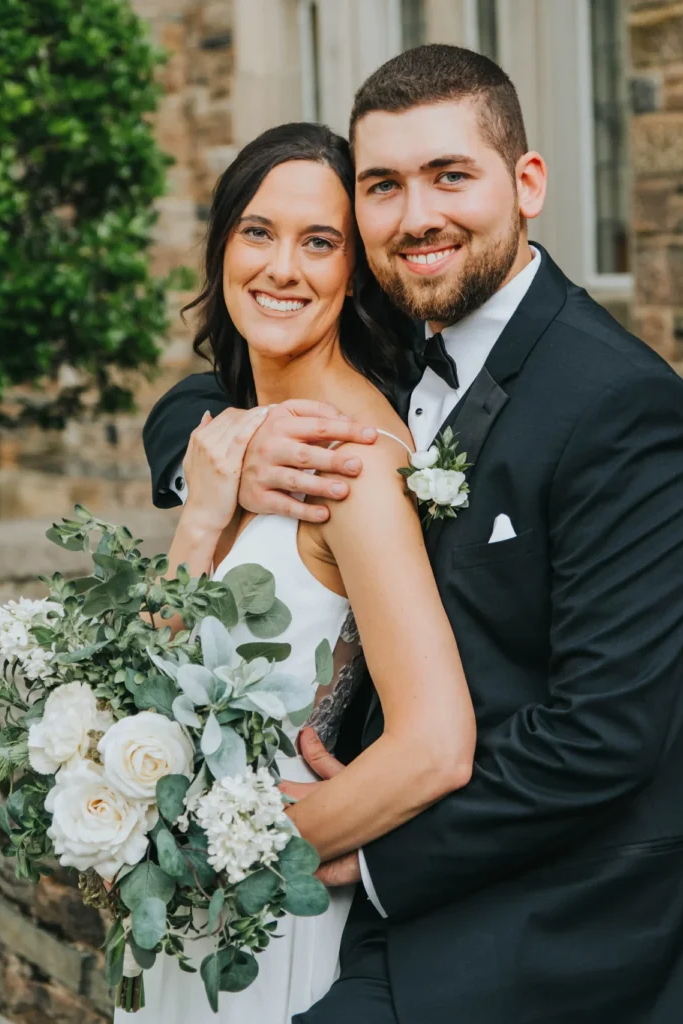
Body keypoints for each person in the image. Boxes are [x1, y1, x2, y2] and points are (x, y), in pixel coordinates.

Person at [144, 45, 683, 1024]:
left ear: (527, 182)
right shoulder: (398, 357)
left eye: (450, 176)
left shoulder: (622, 405)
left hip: (566, 899)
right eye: (384, 186)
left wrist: (355, 843)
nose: (416, 215)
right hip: (405, 868)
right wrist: (219, 452)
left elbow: (606, 733)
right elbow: (210, 383)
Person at [129, 121, 477, 1022]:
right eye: (258, 232)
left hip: (278, 911)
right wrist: (204, 507)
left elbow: (435, 742)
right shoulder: (231, 437)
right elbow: (155, 679)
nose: (282, 267)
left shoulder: (351, 462)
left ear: (353, 271)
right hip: (186, 911)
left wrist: (242, 848)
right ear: (220, 249)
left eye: (318, 242)